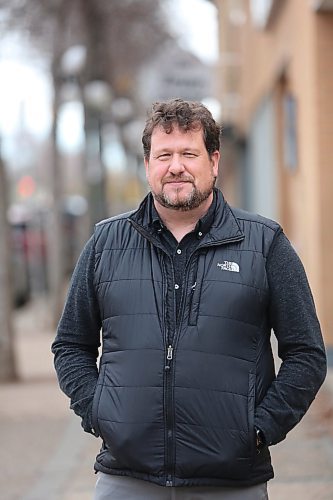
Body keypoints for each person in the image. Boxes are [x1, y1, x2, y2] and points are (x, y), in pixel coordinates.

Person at [52, 98, 327, 499]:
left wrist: (260, 427)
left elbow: (307, 354)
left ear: (213, 162)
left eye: (188, 153)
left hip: (231, 483)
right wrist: (101, 413)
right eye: (163, 154)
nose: (175, 166)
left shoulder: (264, 244)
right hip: (127, 479)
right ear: (147, 165)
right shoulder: (105, 244)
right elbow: (70, 345)